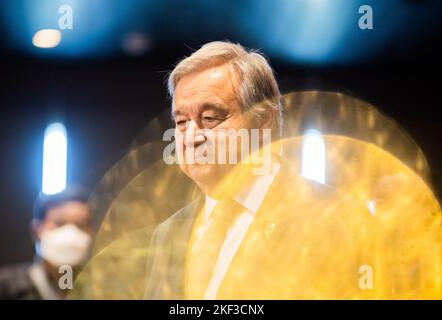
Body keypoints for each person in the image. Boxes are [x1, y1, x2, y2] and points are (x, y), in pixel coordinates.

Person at [143, 41, 369, 299]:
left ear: (262, 123)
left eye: (210, 118)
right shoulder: (168, 234)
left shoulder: (332, 214)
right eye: (182, 122)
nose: (190, 137)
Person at [0, 187, 93, 300]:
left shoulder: (103, 290)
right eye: (60, 223)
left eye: (80, 225)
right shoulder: (3, 290)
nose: (71, 232)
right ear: (36, 232)